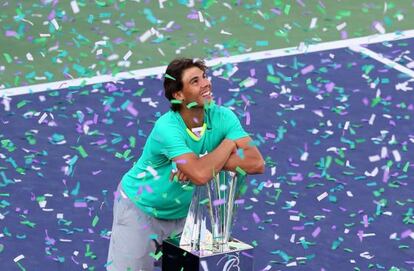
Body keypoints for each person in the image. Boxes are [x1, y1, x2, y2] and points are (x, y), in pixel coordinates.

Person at [106, 58, 265, 271]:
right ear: (178, 95)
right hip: (140, 211)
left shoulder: (224, 117)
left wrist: (199, 163)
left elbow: (256, 163)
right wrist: (228, 144)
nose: (206, 83)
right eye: (195, 81)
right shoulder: (167, 127)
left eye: (205, 77)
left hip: (184, 217)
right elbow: (200, 175)